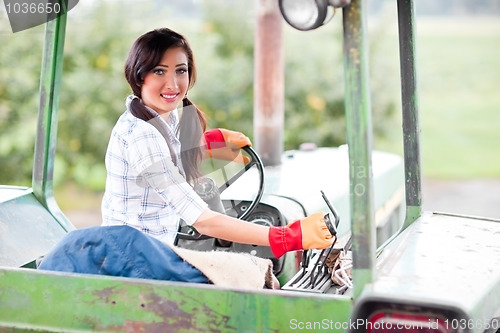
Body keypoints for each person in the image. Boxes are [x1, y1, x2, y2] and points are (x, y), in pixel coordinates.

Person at [101, 27, 334, 260]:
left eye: (180, 71)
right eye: (159, 71)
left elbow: (164, 158)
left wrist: (203, 144)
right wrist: (284, 237)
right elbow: (202, 220)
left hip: (152, 251)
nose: (172, 85)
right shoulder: (142, 135)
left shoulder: (157, 116)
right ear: (139, 75)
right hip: (131, 262)